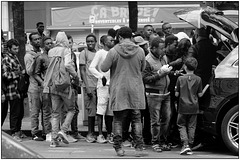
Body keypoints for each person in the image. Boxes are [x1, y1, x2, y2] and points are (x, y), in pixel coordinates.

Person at [101, 26, 146, 157]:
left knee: (118, 120)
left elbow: (104, 68)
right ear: (131, 37)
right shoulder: (140, 51)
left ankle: (119, 148)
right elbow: (142, 68)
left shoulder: (113, 51)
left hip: (119, 89)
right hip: (135, 89)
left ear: (119, 37)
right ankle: (138, 149)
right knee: (136, 119)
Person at [43, 31, 80, 147]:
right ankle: (63, 130)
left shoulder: (51, 51)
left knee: (55, 113)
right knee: (71, 109)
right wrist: (75, 76)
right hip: (64, 85)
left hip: (53, 85)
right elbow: (68, 65)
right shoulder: (66, 50)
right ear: (64, 40)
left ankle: (54, 140)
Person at [187, 27, 217, 150]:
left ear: (197, 35)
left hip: (195, 81)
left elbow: (189, 62)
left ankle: (195, 139)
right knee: (205, 109)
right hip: (209, 81)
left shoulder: (194, 48)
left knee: (194, 110)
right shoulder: (212, 47)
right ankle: (206, 137)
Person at [142, 37, 172, 152]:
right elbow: (145, 79)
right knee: (155, 121)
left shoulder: (163, 57)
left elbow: (166, 72)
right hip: (154, 94)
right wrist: (160, 74)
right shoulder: (147, 60)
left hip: (166, 92)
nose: (163, 50)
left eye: (164, 47)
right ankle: (155, 142)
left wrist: (171, 72)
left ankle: (163, 141)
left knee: (167, 118)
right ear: (153, 48)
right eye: (161, 48)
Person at [89, 35, 115, 144]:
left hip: (113, 85)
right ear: (104, 42)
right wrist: (101, 76)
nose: (113, 41)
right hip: (103, 86)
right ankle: (100, 134)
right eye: (110, 40)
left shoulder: (114, 52)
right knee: (100, 110)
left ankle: (109, 134)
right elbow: (91, 67)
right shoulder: (100, 53)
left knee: (110, 112)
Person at [175, 57, 204, 155]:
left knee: (181, 125)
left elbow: (176, 94)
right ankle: (190, 145)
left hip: (182, 106)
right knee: (192, 126)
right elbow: (200, 95)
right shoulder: (199, 79)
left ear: (185, 66)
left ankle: (185, 144)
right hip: (194, 106)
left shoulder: (180, 78)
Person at [2, 39, 25, 142]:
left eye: (17, 48)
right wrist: (18, 74)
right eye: (15, 48)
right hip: (11, 90)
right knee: (14, 113)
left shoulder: (14, 57)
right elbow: (5, 75)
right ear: (10, 48)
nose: (17, 50)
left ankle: (18, 131)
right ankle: (14, 132)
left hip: (18, 89)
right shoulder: (6, 59)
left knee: (19, 112)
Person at [24, 32, 45, 141]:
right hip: (34, 87)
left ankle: (45, 131)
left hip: (44, 86)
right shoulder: (28, 55)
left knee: (46, 111)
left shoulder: (43, 52)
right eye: (35, 39)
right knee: (35, 111)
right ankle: (35, 132)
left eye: (39, 39)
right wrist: (35, 59)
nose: (37, 41)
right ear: (31, 42)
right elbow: (29, 72)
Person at [65, 34, 85, 141]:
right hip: (67, 85)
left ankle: (74, 131)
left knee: (75, 109)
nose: (70, 44)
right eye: (68, 42)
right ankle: (68, 132)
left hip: (73, 84)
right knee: (71, 109)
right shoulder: (65, 54)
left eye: (71, 42)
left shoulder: (72, 54)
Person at [133, 35, 152, 145]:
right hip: (139, 88)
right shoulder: (141, 56)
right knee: (138, 116)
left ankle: (145, 137)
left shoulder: (144, 56)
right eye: (142, 45)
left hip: (144, 89)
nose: (145, 47)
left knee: (146, 116)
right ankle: (139, 139)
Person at [34, 36, 53, 142]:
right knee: (46, 111)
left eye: (51, 43)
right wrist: (43, 83)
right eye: (47, 44)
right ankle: (47, 132)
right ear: (43, 46)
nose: (50, 45)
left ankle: (54, 131)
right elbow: (35, 73)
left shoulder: (55, 56)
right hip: (45, 87)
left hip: (55, 86)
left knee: (55, 110)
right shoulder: (41, 57)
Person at [79, 34, 98, 143]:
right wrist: (87, 87)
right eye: (88, 41)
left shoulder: (98, 53)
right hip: (89, 85)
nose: (90, 43)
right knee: (91, 110)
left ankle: (98, 133)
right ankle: (90, 133)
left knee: (98, 110)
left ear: (95, 42)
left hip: (99, 84)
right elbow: (82, 70)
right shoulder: (83, 53)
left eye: (92, 41)